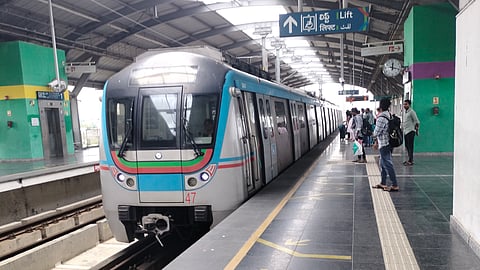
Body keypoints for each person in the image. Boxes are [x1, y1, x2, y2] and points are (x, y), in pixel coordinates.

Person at [372, 98, 399, 192]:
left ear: (381, 105)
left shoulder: (381, 117)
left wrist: (373, 137)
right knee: (382, 163)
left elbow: (376, 132)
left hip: (384, 143)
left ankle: (395, 184)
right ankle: (383, 182)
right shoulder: (389, 115)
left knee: (387, 164)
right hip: (389, 142)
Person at [402, 100, 420, 166]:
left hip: (410, 131)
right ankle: (409, 159)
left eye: (406, 104)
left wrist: (417, 130)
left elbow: (417, 121)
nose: (404, 106)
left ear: (409, 105)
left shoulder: (412, 112)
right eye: (404, 104)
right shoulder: (406, 112)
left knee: (410, 146)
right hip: (406, 131)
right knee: (407, 146)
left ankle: (410, 160)